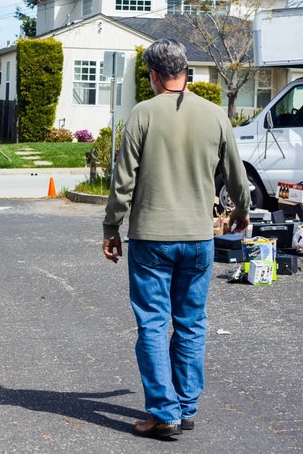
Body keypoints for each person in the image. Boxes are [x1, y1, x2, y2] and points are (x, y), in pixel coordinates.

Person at [102, 39, 250, 439]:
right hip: (199, 238)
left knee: (153, 323)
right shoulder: (215, 114)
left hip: (151, 237)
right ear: (187, 71)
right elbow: (236, 173)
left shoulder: (143, 113)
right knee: (191, 323)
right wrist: (242, 209)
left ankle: (163, 413)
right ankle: (185, 408)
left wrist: (111, 227)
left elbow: (123, 181)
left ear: (153, 74)